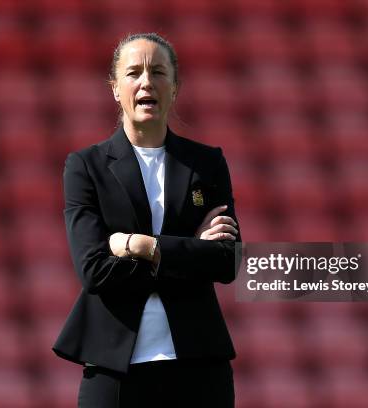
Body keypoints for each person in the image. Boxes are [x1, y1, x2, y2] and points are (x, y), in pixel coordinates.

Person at [52, 32, 241, 408]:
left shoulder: (206, 164)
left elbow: (226, 260)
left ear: (174, 87)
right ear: (114, 88)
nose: (146, 82)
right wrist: (188, 251)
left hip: (199, 366)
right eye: (133, 72)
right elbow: (93, 270)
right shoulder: (85, 167)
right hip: (114, 369)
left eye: (158, 72)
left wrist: (140, 245)